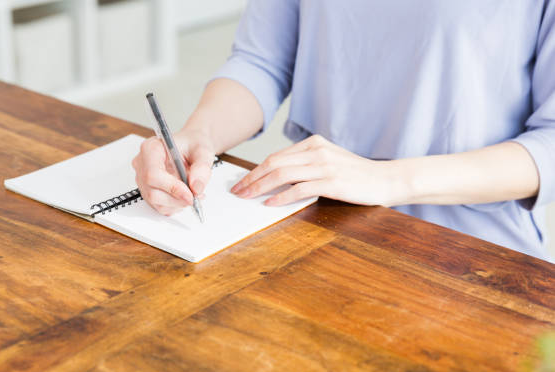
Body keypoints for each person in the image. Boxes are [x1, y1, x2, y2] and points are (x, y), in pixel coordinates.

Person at [133, 1, 555, 260]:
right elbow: (261, 61)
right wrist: (199, 134)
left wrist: (385, 179)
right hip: (316, 226)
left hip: (471, 254)